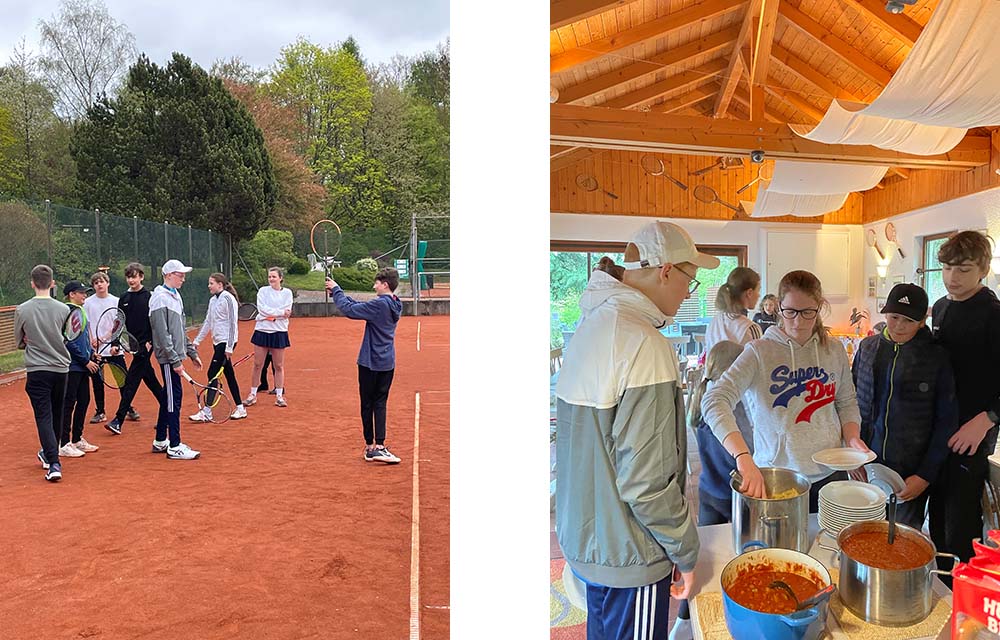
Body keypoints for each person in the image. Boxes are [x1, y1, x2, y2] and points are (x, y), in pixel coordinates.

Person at [555, 221, 712, 640]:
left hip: (591, 535)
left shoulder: (595, 323)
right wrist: (686, 551)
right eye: (690, 281)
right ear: (665, 270)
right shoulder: (643, 343)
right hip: (630, 549)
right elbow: (647, 482)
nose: (687, 293)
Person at [702, 270, 870, 512]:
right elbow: (714, 400)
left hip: (831, 474)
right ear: (779, 307)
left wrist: (852, 439)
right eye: (790, 312)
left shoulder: (833, 350)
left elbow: (846, 402)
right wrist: (742, 457)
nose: (798, 322)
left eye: (807, 312)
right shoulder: (758, 352)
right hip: (777, 477)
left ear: (820, 307)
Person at [851, 283, 958, 530]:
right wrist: (852, 456)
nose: (899, 325)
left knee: (901, 541)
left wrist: (925, 475)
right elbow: (849, 405)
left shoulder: (936, 358)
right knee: (861, 535)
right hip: (865, 465)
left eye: (908, 320)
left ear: (922, 322)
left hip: (910, 473)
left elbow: (946, 422)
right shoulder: (867, 349)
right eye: (894, 317)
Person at [671, 340, 753, 640]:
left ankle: (683, 623)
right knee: (737, 560)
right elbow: (747, 452)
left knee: (704, 562)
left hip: (708, 493)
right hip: (736, 498)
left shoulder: (700, 400)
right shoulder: (734, 411)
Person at [928, 230, 1000, 567]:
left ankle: (967, 606)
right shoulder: (940, 308)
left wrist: (987, 420)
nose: (952, 278)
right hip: (937, 430)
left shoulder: (993, 313)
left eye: (964, 270)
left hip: (973, 433)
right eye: (946, 268)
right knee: (937, 523)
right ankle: (942, 594)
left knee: (961, 529)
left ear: (983, 270)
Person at [325, 267, 404, 464]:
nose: (374, 285)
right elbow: (360, 306)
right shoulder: (395, 303)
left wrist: (336, 290)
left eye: (377, 282)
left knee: (368, 404)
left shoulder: (380, 305)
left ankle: (373, 447)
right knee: (380, 402)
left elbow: (350, 310)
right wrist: (338, 291)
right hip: (387, 362)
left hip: (370, 362)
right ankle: (378, 445)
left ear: (385, 284)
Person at [14, 264, 70, 482]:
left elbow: (19, 341)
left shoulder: (22, 309)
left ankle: (54, 462)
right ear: (52, 284)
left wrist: (31, 341)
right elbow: (67, 336)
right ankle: (49, 454)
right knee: (56, 413)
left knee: (44, 416)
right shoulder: (64, 309)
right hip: (61, 369)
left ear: (32, 283)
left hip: (38, 370)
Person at [149, 259, 203, 460]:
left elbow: (180, 329)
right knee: (174, 400)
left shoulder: (175, 296)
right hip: (168, 359)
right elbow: (162, 335)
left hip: (176, 356)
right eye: (180, 275)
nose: (183, 278)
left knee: (168, 397)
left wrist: (191, 353)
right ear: (169, 275)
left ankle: (160, 439)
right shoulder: (159, 298)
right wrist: (175, 361)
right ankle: (174, 445)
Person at [105, 262, 162, 435]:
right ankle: (168, 409)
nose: (132, 280)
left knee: (131, 381)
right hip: (132, 344)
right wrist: (115, 343)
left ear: (141, 277)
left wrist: (150, 341)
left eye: (135, 276)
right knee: (150, 380)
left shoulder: (149, 296)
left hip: (146, 345)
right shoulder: (124, 298)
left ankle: (118, 419)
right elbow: (119, 322)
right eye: (129, 277)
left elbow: (154, 322)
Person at [190, 272, 247, 422]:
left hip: (226, 342)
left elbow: (233, 323)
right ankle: (241, 408)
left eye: (211, 283)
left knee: (212, 374)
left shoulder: (228, 299)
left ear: (220, 285)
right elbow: (208, 321)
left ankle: (207, 411)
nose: (209, 286)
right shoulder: (212, 300)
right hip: (218, 343)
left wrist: (229, 347)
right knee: (229, 375)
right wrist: (197, 341)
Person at [60, 280, 101, 458]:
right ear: (72, 295)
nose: (85, 295)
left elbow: (81, 339)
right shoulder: (69, 311)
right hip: (73, 366)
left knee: (84, 400)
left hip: (82, 365)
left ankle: (77, 439)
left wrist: (91, 353)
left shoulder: (79, 310)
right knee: (69, 403)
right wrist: (86, 361)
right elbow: (68, 341)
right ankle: (63, 443)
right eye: (81, 292)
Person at [244, 267, 293, 408]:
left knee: (278, 365)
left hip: (279, 332)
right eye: (269, 276)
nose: (271, 279)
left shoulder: (287, 293)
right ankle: (252, 395)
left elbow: (287, 312)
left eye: (274, 276)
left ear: (280, 278)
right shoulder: (263, 291)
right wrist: (278, 313)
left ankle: (279, 396)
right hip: (262, 331)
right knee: (258, 364)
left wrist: (270, 315)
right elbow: (262, 309)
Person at [83, 270, 126, 424]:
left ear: (107, 283)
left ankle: (127, 407)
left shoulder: (116, 301)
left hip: (113, 349)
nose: (99, 284)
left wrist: (104, 338)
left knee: (122, 380)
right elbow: (86, 325)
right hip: (95, 351)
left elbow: (118, 324)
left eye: (102, 281)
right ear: (93, 286)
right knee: (97, 382)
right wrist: (91, 341)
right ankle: (100, 411)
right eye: (96, 282)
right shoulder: (87, 303)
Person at [704, 266, 761, 351]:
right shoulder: (749, 328)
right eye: (758, 290)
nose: (759, 295)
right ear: (749, 293)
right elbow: (758, 361)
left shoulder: (714, 322)